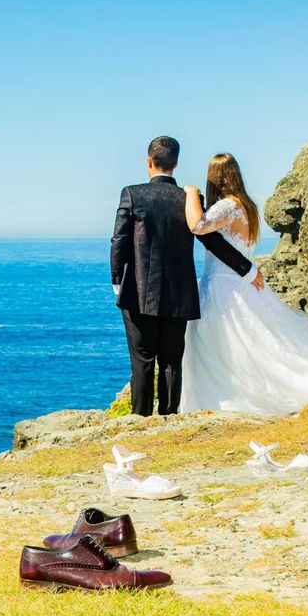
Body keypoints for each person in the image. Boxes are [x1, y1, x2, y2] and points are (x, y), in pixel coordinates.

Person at [181, 153, 308, 414]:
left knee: (226, 345)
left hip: (224, 287)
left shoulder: (227, 207)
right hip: (240, 283)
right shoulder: (246, 206)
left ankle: (228, 399)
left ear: (215, 179)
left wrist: (190, 193)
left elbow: (198, 225)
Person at [110, 137, 264, 417]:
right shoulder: (190, 199)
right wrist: (248, 269)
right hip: (179, 294)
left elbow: (119, 240)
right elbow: (214, 242)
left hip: (137, 293)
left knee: (143, 361)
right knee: (171, 362)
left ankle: (139, 422)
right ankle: (169, 417)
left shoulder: (131, 194)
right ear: (176, 163)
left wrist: (117, 281)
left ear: (149, 162)